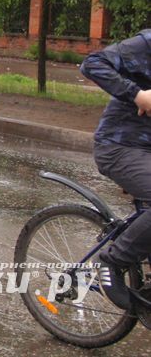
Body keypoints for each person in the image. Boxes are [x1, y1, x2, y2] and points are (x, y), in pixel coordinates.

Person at [79, 30, 151, 309]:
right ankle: (112, 261)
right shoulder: (146, 44)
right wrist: (138, 95)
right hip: (121, 147)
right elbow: (93, 63)